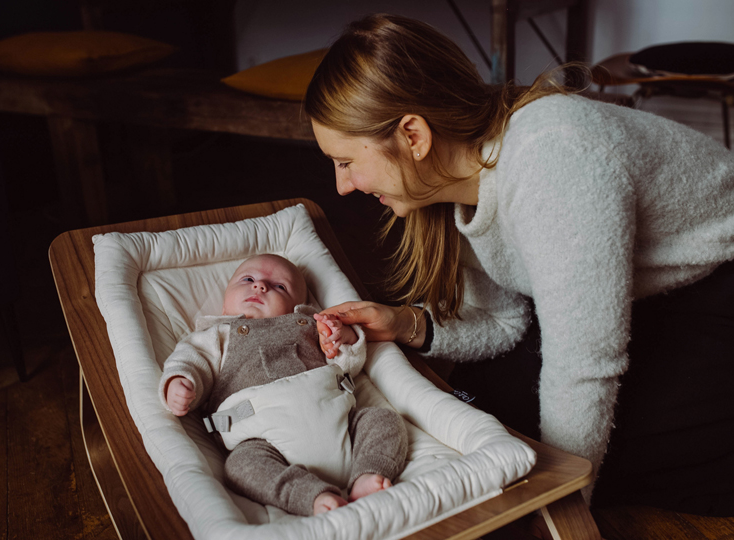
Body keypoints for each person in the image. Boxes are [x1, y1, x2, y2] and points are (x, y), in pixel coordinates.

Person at [305, 13, 734, 516]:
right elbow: (504, 320)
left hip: (716, 287)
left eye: (345, 161)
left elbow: (586, 366)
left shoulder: (551, 156)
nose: (342, 186)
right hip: (646, 293)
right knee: (486, 408)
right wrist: (406, 322)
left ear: (413, 136)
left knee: (582, 452)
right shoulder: (452, 185)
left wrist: (555, 513)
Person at [159, 253, 408, 516]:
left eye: (279, 286)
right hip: (261, 436)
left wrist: (342, 339)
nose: (260, 286)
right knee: (240, 467)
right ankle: (311, 496)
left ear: (297, 308)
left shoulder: (311, 327)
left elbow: (348, 366)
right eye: (248, 279)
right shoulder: (217, 335)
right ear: (224, 306)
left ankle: (367, 475)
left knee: (383, 420)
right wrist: (181, 381)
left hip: (338, 423)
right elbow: (190, 359)